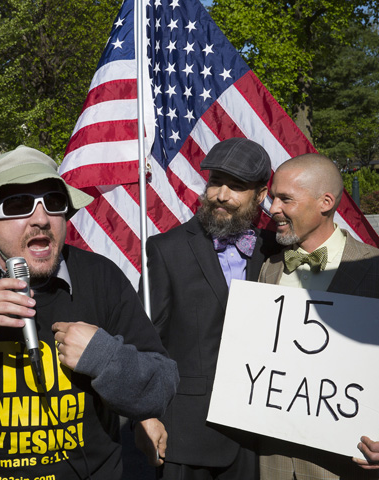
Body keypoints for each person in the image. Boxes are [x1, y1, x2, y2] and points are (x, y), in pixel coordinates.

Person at [0, 145, 179, 480]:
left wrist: (106, 358)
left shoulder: (101, 276)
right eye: (19, 205)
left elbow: (162, 386)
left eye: (54, 202)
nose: (41, 219)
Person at [135, 138, 281, 479]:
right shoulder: (164, 250)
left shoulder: (276, 251)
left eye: (237, 186)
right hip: (185, 440)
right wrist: (144, 415)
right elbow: (146, 343)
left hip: (262, 440)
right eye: (215, 181)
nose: (221, 194)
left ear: (260, 195)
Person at [259, 153, 379, 480]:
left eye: (285, 199)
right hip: (276, 462)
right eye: (273, 197)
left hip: (351, 461)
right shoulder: (269, 268)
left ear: (326, 202)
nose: (273, 208)